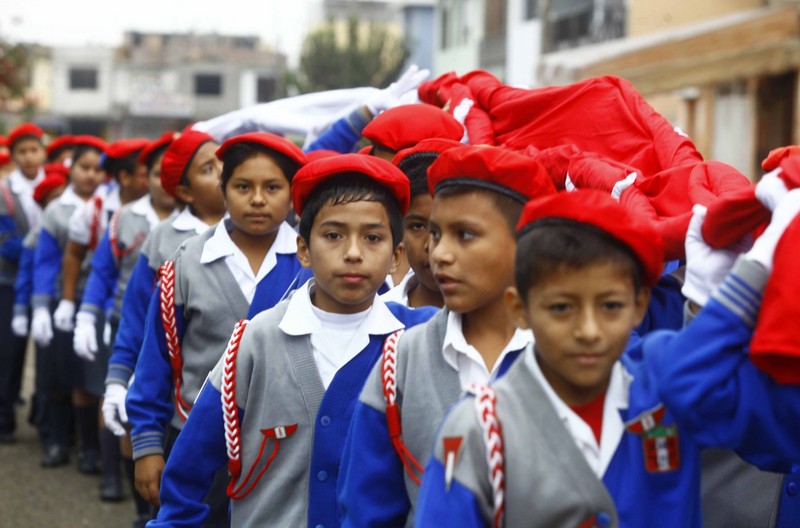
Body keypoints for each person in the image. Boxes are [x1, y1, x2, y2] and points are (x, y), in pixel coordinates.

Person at [415, 188, 800, 527]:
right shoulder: (478, 428)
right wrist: (751, 272)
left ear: (640, 306)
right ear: (519, 308)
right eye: (562, 308)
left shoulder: (664, 391)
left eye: (611, 306)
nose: (589, 330)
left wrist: (713, 293)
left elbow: (768, 430)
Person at [148, 154, 436, 527]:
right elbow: (191, 466)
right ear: (302, 249)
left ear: (397, 256)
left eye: (373, 238)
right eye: (333, 235)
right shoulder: (255, 342)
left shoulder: (416, 340)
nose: (352, 252)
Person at [339, 145, 557, 526]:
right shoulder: (399, 364)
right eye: (436, 233)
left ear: (528, 244)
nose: (438, 253)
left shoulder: (574, 355)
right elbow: (366, 511)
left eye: (466, 235)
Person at [127, 132, 310, 526]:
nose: (258, 199)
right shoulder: (186, 263)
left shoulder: (310, 263)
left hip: (281, 448)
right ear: (224, 189)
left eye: (273, 187)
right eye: (243, 186)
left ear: (292, 194)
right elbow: (156, 358)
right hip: (194, 439)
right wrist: (146, 444)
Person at [101, 129, 225, 528]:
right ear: (185, 192)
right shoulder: (164, 239)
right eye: (209, 168)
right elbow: (137, 322)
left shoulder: (280, 239)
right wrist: (119, 380)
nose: (223, 173)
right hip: (184, 415)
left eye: (225, 162)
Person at [29, 135, 107, 469]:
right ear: (70, 169)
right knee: (58, 373)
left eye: (97, 169)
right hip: (65, 298)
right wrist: (40, 306)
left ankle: (89, 449)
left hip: (99, 299)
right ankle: (58, 442)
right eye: (83, 167)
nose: (91, 175)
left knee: (89, 377)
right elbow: (46, 262)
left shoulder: (111, 205)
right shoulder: (56, 211)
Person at [0, 123, 46, 444]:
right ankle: (4, 417)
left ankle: (44, 418)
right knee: (10, 351)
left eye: (35, 150)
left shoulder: (57, 185)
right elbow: (5, 240)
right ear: (14, 156)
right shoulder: (5, 190)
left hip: (47, 283)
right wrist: (41, 250)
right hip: (11, 280)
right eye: (23, 152)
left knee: (48, 352)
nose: (30, 157)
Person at [382, 138, 461, 308]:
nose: (431, 245)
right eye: (417, 226)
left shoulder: (513, 321)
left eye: (454, 227)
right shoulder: (380, 315)